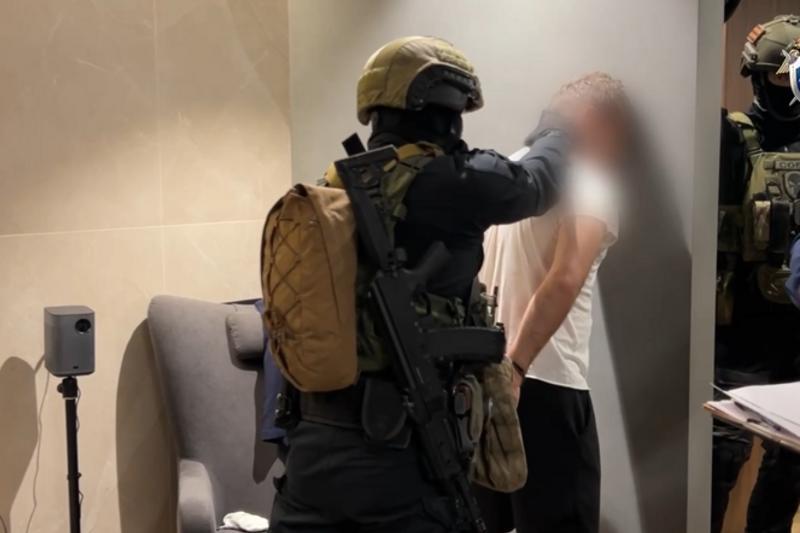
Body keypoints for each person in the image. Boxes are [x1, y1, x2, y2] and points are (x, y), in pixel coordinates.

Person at [267, 36, 571, 533]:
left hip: (313, 449)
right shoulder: (451, 181)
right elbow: (538, 184)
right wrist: (558, 131)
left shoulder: (336, 184)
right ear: (448, 111)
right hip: (397, 457)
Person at [475, 73, 630, 533]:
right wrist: (517, 368)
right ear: (598, 122)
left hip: (486, 380)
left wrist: (500, 372)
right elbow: (565, 277)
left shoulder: (514, 169)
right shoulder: (590, 182)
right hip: (544, 381)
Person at [712, 14, 800, 533]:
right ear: (757, 76)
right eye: (782, 76)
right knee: (720, 460)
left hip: (795, 336)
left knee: (790, 468)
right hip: (740, 337)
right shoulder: (727, 138)